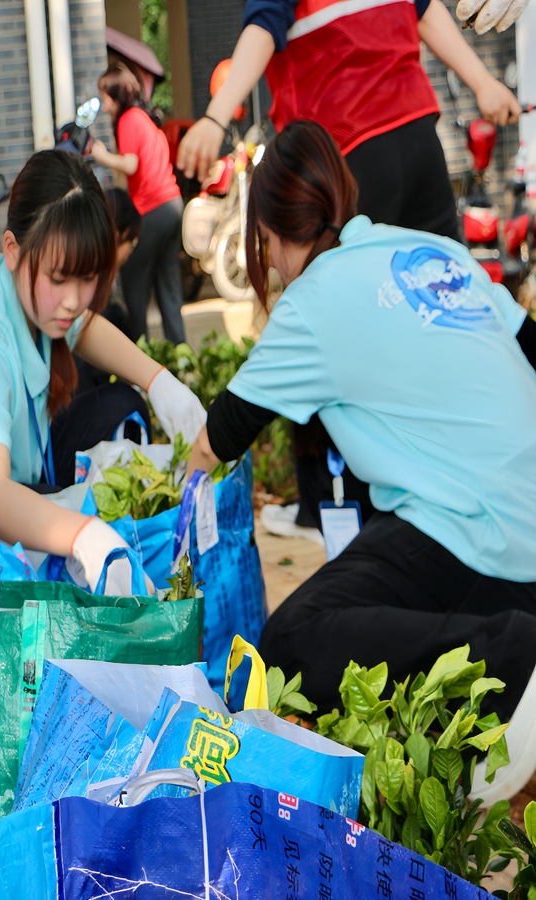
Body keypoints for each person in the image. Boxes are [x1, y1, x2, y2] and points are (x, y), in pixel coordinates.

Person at [187, 120, 536, 805]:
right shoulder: (432, 249)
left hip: (488, 538)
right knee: (375, 560)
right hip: (484, 513)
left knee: (294, 637)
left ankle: (517, 658)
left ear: (271, 234)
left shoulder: (312, 298)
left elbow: (217, 439)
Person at [176, 0, 522, 544]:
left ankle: (328, 506)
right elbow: (425, 10)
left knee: (317, 325)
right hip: (418, 141)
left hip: (349, 147)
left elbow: (264, 25)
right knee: (442, 300)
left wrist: (217, 116)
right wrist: (482, 82)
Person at [0, 149, 206, 595]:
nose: (74, 300)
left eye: (88, 279)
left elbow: (83, 327)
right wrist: (83, 535)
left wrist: (159, 381)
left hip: (7, 489)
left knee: (121, 405)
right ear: (12, 250)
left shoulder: (26, 291)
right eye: (60, 278)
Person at [92, 63, 188, 346]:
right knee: (167, 284)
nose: (105, 105)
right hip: (173, 205)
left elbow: (131, 164)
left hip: (154, 210)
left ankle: (136, 356)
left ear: (117, 94)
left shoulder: (128, 119)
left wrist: (102, 155)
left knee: (133, 277)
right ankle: (180, 355)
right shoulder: (144, 118)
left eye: (106, 97)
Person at [76, 186, 141, 392]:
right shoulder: (94, 280)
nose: (130, 251)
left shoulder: (89, 261)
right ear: (116, 234)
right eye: (131, 242)